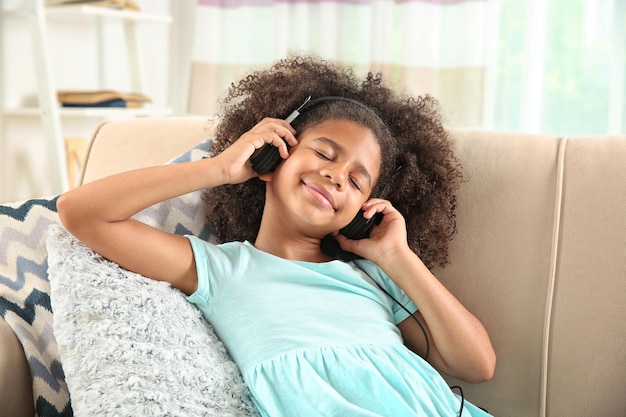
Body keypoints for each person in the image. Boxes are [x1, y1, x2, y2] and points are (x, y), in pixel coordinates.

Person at [57, 55, 496, 416]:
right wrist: (220, 169)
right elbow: (81, 213)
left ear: (362, 210)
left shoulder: (372, 279)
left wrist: (398, 257)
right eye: (324, 153)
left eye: (356, 181)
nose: (335, 176)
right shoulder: (222, 270)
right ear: (273, 156)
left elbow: (477, 365)